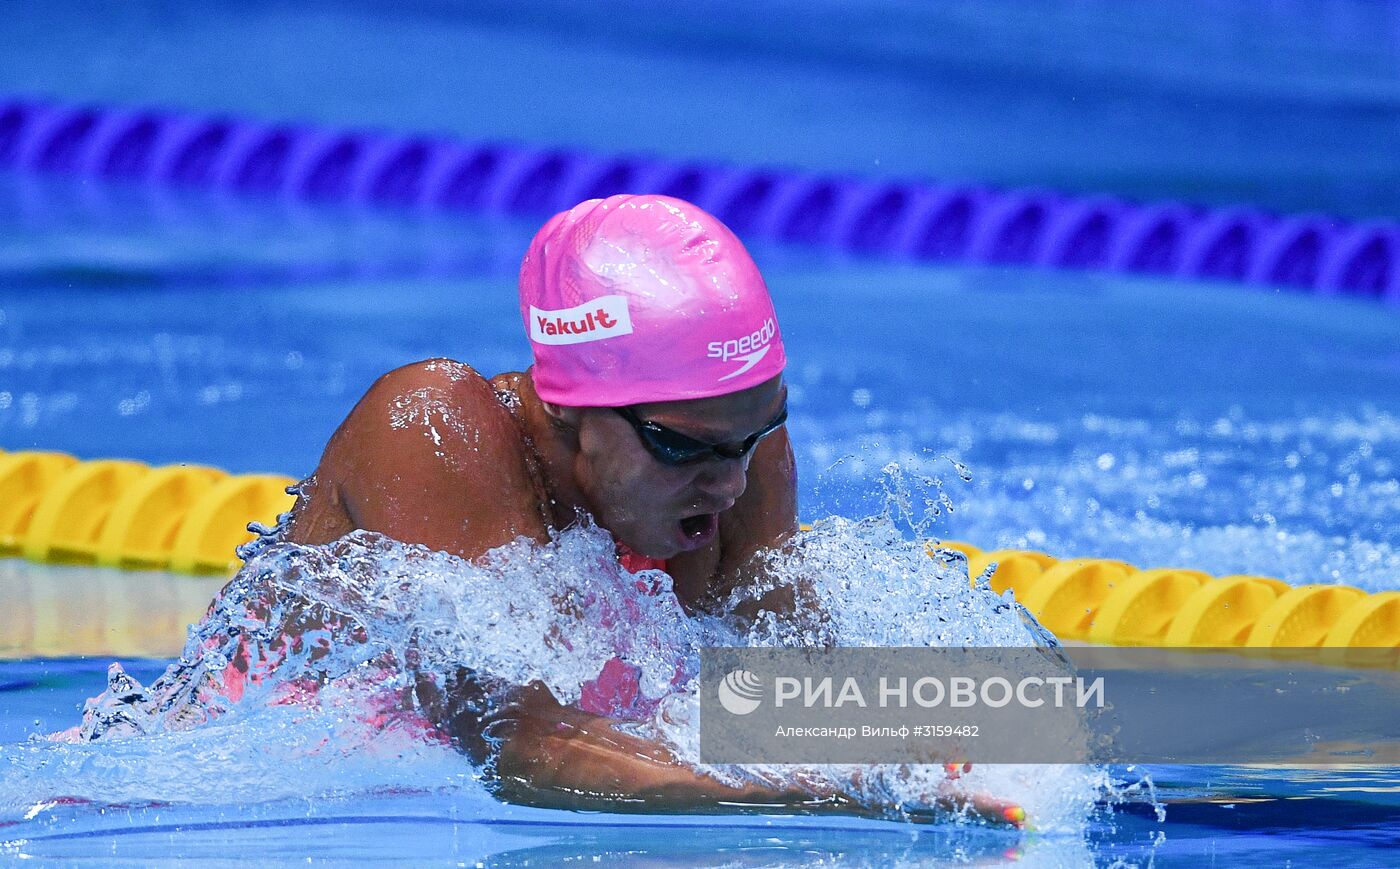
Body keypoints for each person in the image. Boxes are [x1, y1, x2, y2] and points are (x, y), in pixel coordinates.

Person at [282, 194, 1024, 827]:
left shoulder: (733, 450)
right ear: (577, 408)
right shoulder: (432, 430)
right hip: (296, 796)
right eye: (683, 446)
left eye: (756, 435)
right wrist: (822, 792)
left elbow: (791, 683)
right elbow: (519, 744)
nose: (732, 484)